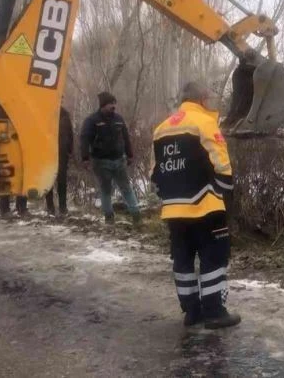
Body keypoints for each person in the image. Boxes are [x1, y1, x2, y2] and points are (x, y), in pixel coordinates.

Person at [151, 81, 240, 329]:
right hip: (206, 206)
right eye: (209, 98)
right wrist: (224, 190)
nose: (210, 102)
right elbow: (220, 161)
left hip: (174, 210)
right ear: (201, 98)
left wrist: (168, 197)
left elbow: (155, 171)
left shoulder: (161, 129)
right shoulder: (204, 123)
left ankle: (191, 312)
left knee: (183, 260)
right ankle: (214, 312)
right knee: (214, 257)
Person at [80, 92, 140, 225]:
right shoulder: (92, 121)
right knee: (106, 189)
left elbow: (126, 138)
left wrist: (130, 154)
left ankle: (136, 215)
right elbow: (84, 139)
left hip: (119, 160)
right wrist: (85, 158)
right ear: (103, 105)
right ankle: (109, 217)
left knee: (126, 188)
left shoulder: (119, 119)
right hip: (101, 162)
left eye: (114, 103)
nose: (113, 106)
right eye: (110, 104)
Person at [46, 106, 73, 216]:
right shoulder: (43, 112)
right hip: (46, 153)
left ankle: (63, 208)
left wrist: (70, 150)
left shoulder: (65, 115)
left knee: (62, 181)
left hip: (62, 153)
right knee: (48, 181)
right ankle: (50, 208)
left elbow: (70, 134)